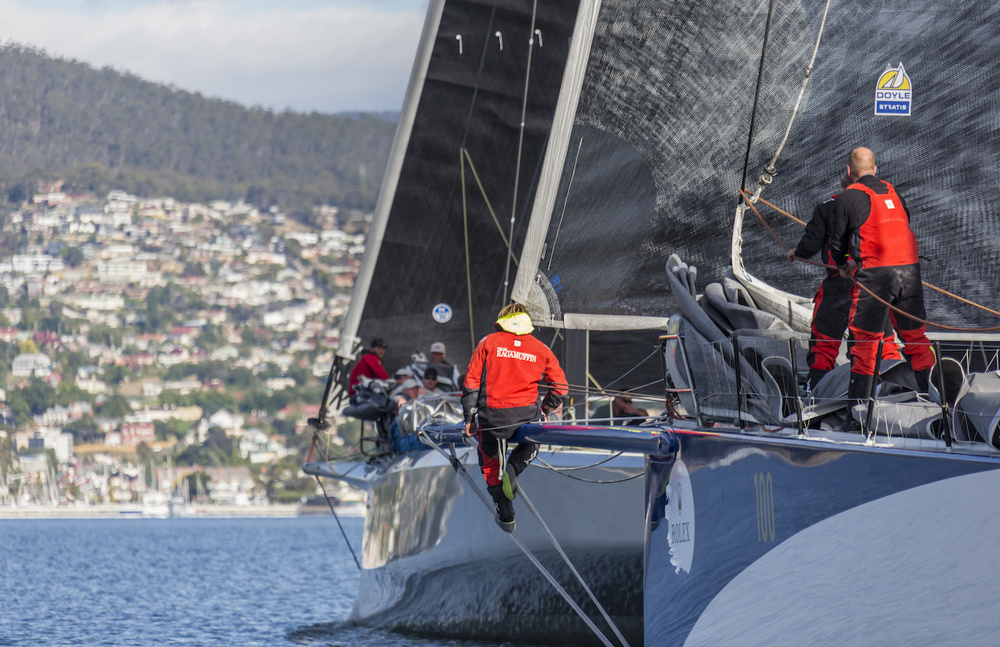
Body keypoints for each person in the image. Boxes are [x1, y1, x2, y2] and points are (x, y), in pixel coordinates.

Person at [829, 147, 936, 408]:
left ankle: (857, 419)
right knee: (916, 339)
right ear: (876, 169)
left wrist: (844, 264)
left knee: (865, 343)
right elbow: (904, 222)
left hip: (876, 277)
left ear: (848, 171)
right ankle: (939, 404)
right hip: (910, 272)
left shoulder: (847, 197)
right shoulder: (893, 191)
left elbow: (836, 246)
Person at [788, 175, 902, 390]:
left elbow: (811, 244)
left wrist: (797, 253)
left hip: (839, 284)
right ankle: (894, 389)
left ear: (842, 184)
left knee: (824, 342)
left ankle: (817, 393)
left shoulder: (826, 207)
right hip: (875, 286)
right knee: (883, 341)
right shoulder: (884, 205)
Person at [461, 304, 568, 532]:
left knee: (490, 465)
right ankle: (515, 466)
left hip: (493, 416)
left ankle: (506, 514)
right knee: (535, 438)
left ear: (503, 320)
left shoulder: (488, 342)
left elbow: (471, 383)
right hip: (527, 415)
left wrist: (469, 418)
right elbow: (561, 388)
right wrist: (546, 408)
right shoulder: (542, 349)